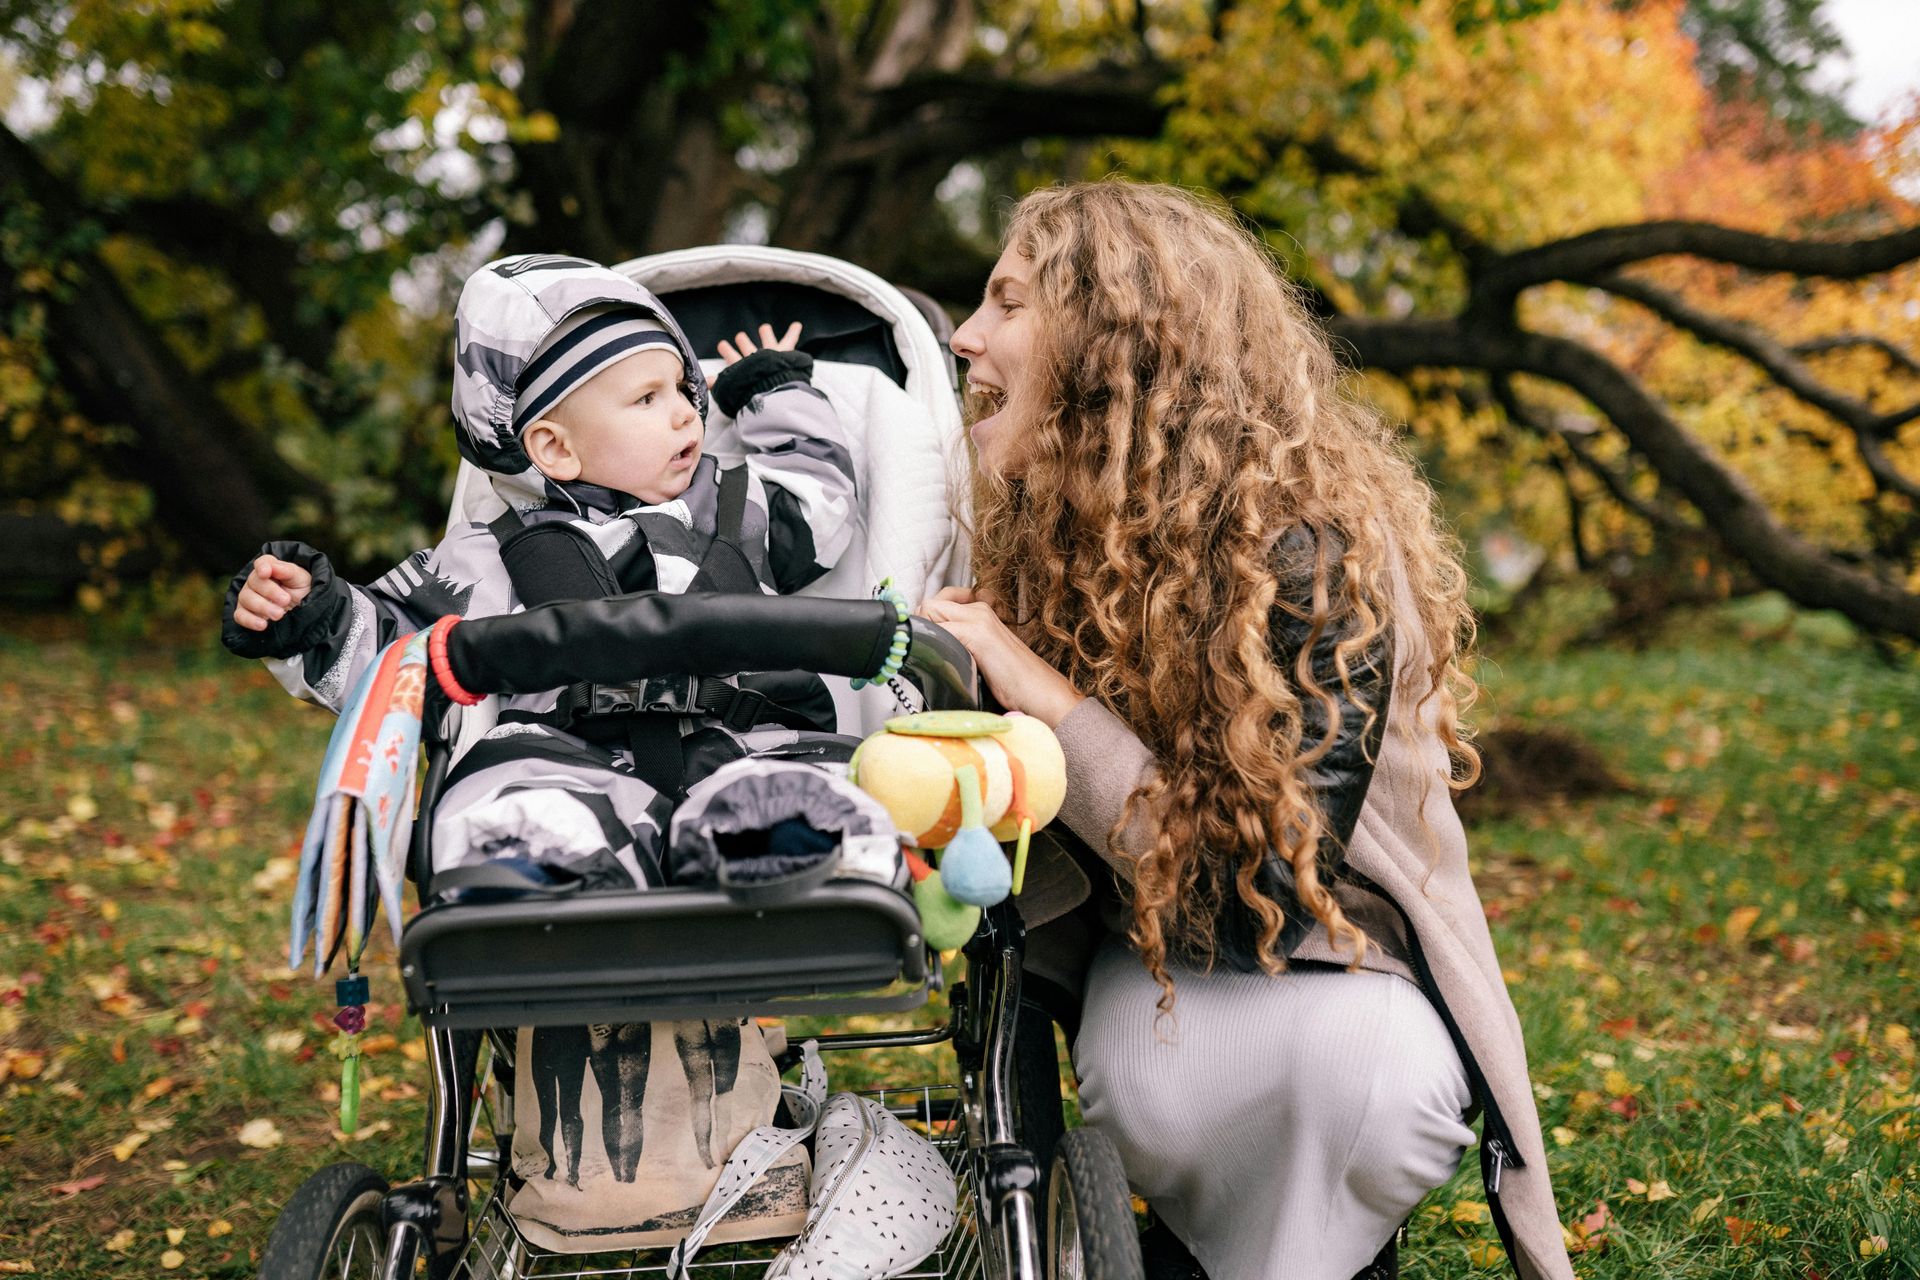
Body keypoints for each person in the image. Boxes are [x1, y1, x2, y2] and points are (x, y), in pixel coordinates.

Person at [918, 182, 1574, 1280]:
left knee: (1336, 1084)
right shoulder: (1047, 540)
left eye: (1009, 302)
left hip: (1345, 988)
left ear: (1113, 348)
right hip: (1159, 993)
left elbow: (1247, 890)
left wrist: (1041, 692)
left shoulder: (1318, 556)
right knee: (1167, 1084)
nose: (965, 334)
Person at [223, 253, 859, 890]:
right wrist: (310, 616)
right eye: (647, 398)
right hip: (571, 759)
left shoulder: (737, 505)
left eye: (681, 389)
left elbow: (821, 503)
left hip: (747, 737)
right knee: (516, 797)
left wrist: (773, 391)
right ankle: (538, 879)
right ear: (555, 447)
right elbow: (399, 653)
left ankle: (792, 860)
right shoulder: (493, 553)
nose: (685, 413)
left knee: (799, 790)